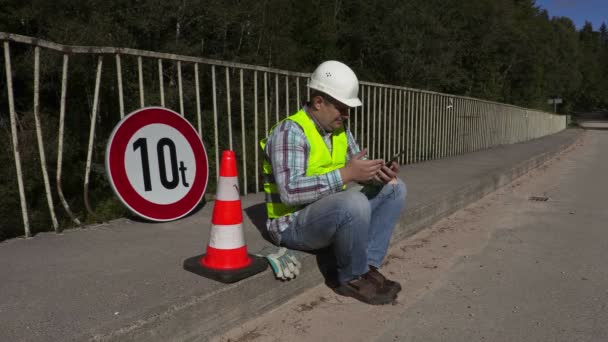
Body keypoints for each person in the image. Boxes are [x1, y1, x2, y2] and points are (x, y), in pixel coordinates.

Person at [260, 60, 407, 305]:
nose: (347, 114)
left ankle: (367, 266)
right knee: (354, 202)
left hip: (326, 212)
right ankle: (350, 278)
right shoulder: (289, 133)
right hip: (291, 224)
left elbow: (356, 167)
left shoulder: (339, 130)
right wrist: (346, 175)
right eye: (342, 107)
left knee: (395, 188)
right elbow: (289, 192)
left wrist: (377, 174)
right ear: (319, 102)